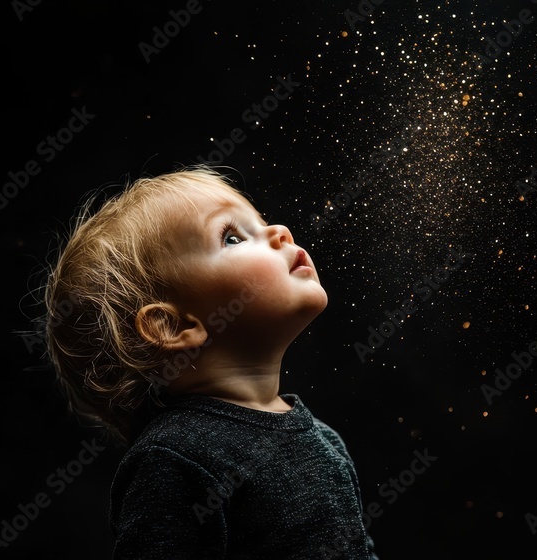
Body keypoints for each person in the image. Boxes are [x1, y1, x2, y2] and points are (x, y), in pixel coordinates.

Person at [42, 165, 379, 559]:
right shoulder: (175, 458)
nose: (280, 231)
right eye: (233, 237)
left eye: (262, 221)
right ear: (173, 325)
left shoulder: (324, 439)